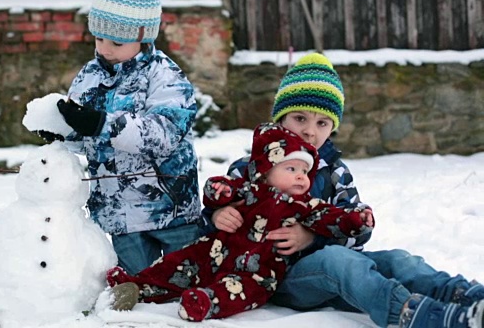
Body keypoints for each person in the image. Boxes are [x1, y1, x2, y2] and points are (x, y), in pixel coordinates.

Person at [204, 52, 484, 328]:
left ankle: (467, 296)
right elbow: (221, 209)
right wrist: (218, 214)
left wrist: (313, 237)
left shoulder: (335, 171)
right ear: (280, 118)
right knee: (339, 262)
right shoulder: (251, 167)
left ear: (332, 127)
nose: (310, 131)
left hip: (330, 265)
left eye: (321, 123)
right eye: (299, 118)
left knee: (400, 260)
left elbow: (356, 233)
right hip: (276, 277)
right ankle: (418, 316)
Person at [106, 123, 373, 322]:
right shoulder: (249, 189)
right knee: (179, 263)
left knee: (239, 291)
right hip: (216, 251)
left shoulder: (302, 205)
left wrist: (356, 220)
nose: (301, 178)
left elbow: (332, 218)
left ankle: (205, 304)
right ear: (266, 171)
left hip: (259, 271)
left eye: (305, 171)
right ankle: (136, 285)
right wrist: (219, 194)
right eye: (291, 169)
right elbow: (217, 190)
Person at [54, 0, 202, 275]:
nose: (105, 49)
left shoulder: (165, 76)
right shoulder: (89, 76)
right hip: (119, 213)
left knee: (184, 281)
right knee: (141, 287)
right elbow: (89, 137)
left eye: (117, 42)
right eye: (99, 39)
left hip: (169, 207)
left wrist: (101, 124)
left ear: (144, 36)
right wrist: (65, 132)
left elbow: (165, 134)